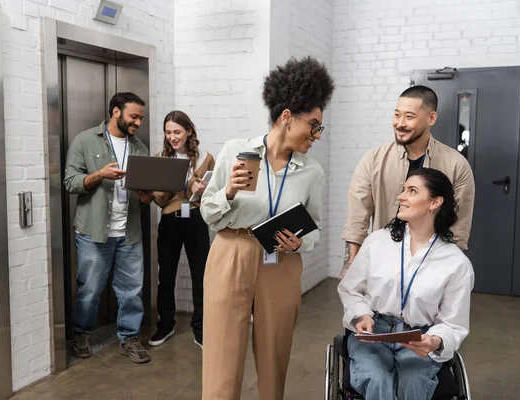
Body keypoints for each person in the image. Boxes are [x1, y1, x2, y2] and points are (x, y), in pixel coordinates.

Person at [199, 56, 334, 400]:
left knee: (275, 352)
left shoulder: (311, 171)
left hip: (282, 261)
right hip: (232, 252)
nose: (316, 135)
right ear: (287, 116)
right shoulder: (236, 151)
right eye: (314, 125)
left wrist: (299, 243)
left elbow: (315, 227)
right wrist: (228, 192)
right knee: (222, 355)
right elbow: (209, 213)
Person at [337, 167, 474, 400]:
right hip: (373, 333)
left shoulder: (456, 263)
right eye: (403, 190)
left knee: (413, 382)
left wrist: (435, 341)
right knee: (377, 378)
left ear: (435, 202)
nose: (401, 197)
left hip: (419, 337)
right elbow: (351, 289)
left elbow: (453, 323)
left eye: (411, 191)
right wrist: (361, 315)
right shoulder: (377, 242)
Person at [340, 85, 475, 279]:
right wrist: (350, 264)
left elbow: (458, 227)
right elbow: (357, 218)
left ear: (431, 118)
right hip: (381, 265)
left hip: (431, 267)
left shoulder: (456, 165)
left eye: (409, 117)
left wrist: (445, 274)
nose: (400, 123)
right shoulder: (373, 159)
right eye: (397, 115)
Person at [64, 92, 152, 363]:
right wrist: (100, 175)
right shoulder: (85, 140)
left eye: (140, 118)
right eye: (133, 116)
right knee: (89, 290)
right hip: (93, 232)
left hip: (129, 233)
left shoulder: (140, 148)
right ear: (116, 112)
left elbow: (146, 199)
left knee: (132, 290)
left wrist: (145, 192)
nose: (138, 122)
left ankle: (129, 338)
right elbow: (70, 182)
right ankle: (81, 334)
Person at [148, 110, 215, 349]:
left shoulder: (206, 158)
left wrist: (203, 189)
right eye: (168, 132)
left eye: (177, 131)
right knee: (166, 276)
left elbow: (214, 194)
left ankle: (201, 329)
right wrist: (162, 187)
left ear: (188, 131)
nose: (173, 137)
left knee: (201, 276)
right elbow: (160, 201)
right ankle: (165, 325)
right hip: (170, 220)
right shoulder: (160, 158)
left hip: (196, 218)